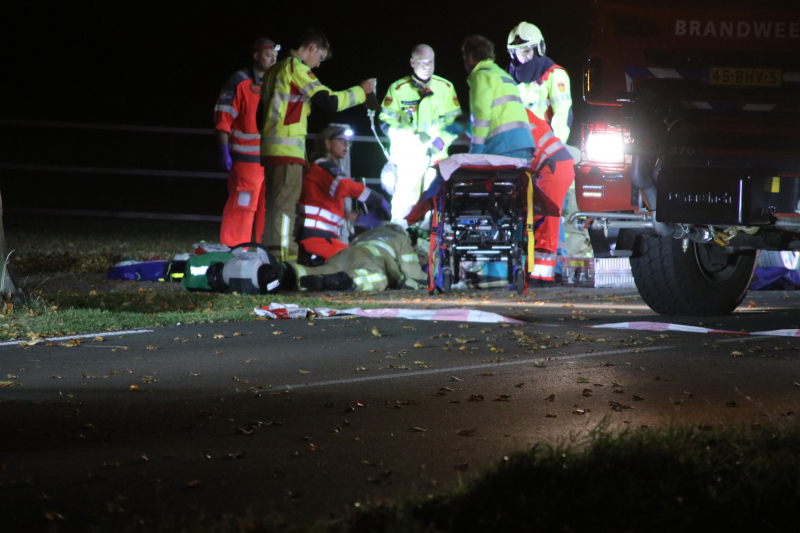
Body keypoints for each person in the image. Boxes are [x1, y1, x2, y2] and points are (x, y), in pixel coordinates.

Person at [259, 28, 376, 262]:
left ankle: (269, 260)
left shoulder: (272, 71)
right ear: (312, 48)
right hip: (287, 153)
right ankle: (283, 262)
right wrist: (361, 92)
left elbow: (259, 115)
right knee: (285, 210)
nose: (318, 64)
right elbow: (330, 101)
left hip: (270, 150)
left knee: (273, 209)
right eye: (320, 57)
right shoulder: (296, 68)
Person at [508, 22, 576, 282]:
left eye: (527, 51)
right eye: (518, 52)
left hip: (547, 158)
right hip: (521, 157)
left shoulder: (554, 75)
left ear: (538, 49)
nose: (522, 56)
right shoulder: (510, 80)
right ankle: (525, 269)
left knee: (548, 212)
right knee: (522, 214)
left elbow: (562, 115)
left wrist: (553, 151)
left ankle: (551, 271)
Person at [379, 45, 462, 227]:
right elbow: (385, 122)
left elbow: (455, 124)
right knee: (401, 218)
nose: (427, 67)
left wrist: (441, 141)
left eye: (430, 62)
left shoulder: (446, 88)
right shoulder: (398, 89)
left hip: (436, 161)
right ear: (412, 62)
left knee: (433, 219)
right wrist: (413, 134)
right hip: (407, 163)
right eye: (422, 63)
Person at [214, 38, 279, 246]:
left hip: (270, 158)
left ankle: (264, 253)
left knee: (267, 208)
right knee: (243, 205)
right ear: (256, 56)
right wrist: (223, 149)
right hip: (246, 159)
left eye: (275, 56)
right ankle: (234, 249)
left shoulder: (276, 83)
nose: (273, 60)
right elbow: (223, 116)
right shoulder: (239, 81)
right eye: (268, 56)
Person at [296, 124, 391, 265]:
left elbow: (320, 202)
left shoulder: (320, 168)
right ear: (327, 143)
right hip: (316, 238)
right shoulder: (324, 167)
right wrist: (378, 199)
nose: (347, 145)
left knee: (358, 260)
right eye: (341, 140)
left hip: (318, 237)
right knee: (359, 262)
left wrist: (353, 216)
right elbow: (344, 186)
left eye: (348, 142)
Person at [284, 224, 428, 292]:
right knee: (378, 278)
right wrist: (428, 280)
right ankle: (340, 282)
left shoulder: (367, 233)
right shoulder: (401, 238)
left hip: (343, 255)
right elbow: (413, 273)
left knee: (318, 271)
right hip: (367, 257)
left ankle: (287, 272)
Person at [462, 35, 535, 159]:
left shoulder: (481, 76)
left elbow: (482, 116)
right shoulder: (503, 75)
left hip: (504, 146)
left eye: (464, 57)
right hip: (525, 144)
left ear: (470, 57)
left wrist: (475, 152)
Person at [525, 109, 574, 284]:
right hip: (556, 165)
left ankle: (542, 277)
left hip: (552, 167)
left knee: (544, 222)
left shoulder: (518, 118)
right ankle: (549, 273)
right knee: (547, 222)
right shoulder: (524, 116)